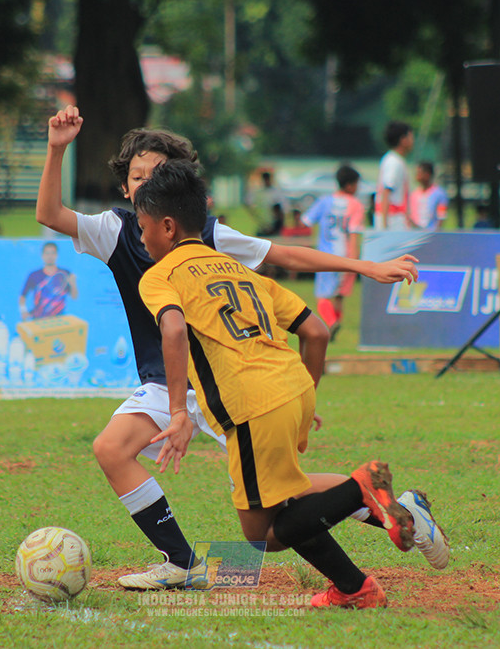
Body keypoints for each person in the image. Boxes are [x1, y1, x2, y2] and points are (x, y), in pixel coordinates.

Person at [34, 105, 425, 591]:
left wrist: (365, 268)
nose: (145, 184)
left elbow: (284, 254)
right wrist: (56, 148)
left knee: (278, 505)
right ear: (125, 187)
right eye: (136, 177)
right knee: (111, 448)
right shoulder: (116, 230)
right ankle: (181, 561)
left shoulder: (210, 234)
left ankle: (383, 514)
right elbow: (49, 214)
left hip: (227, 384)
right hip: (170, 382)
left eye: (156, 174)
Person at [135, 159, 447, 608]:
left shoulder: (160, 276)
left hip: (250, 404)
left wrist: (180, 413)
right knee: (289, 499)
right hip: (294, 386)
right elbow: (317, 331)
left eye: (143, 227)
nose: (142, 239)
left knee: (262, 534)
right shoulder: (241, 271)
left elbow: (174, 330)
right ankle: (355, 588)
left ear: (166, 227)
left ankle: (361, 489)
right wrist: (305, 396)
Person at [301, 165, 366, 340]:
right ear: (351, 185)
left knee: (322, 296)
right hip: (346, 254)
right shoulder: (356, 205)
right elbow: (354, 233)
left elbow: (306, 220)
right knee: (339, 295)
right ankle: (335, 327)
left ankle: (331, 322)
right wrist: (355, 258)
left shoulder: (324, 201)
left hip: (326, 255)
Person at [19, 241, 78, 320]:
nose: (50, 256)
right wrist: (23, 311)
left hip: (59, 321)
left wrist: (73, 284)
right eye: (47, 253)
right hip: (38, 320)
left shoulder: (65, 273)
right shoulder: (34, 275)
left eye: (52, 253)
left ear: (56, 255)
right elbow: (23, 296)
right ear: (42, 255)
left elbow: (74, 297)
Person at [376, 121, 414, 231]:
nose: (413, 141)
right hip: (393, 222)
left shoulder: (395, 160)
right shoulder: (394, 162)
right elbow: (386, 191)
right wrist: (384, 227)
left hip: (396, 220)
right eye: (411, 137)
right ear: (403, 140)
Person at [408, 161, 449, 230]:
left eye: (419, 173)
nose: (417, 176)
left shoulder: (439, 193)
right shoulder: (413, 194)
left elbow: (441, 215)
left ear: (427, 174)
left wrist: (435, 232)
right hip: (416, 234)